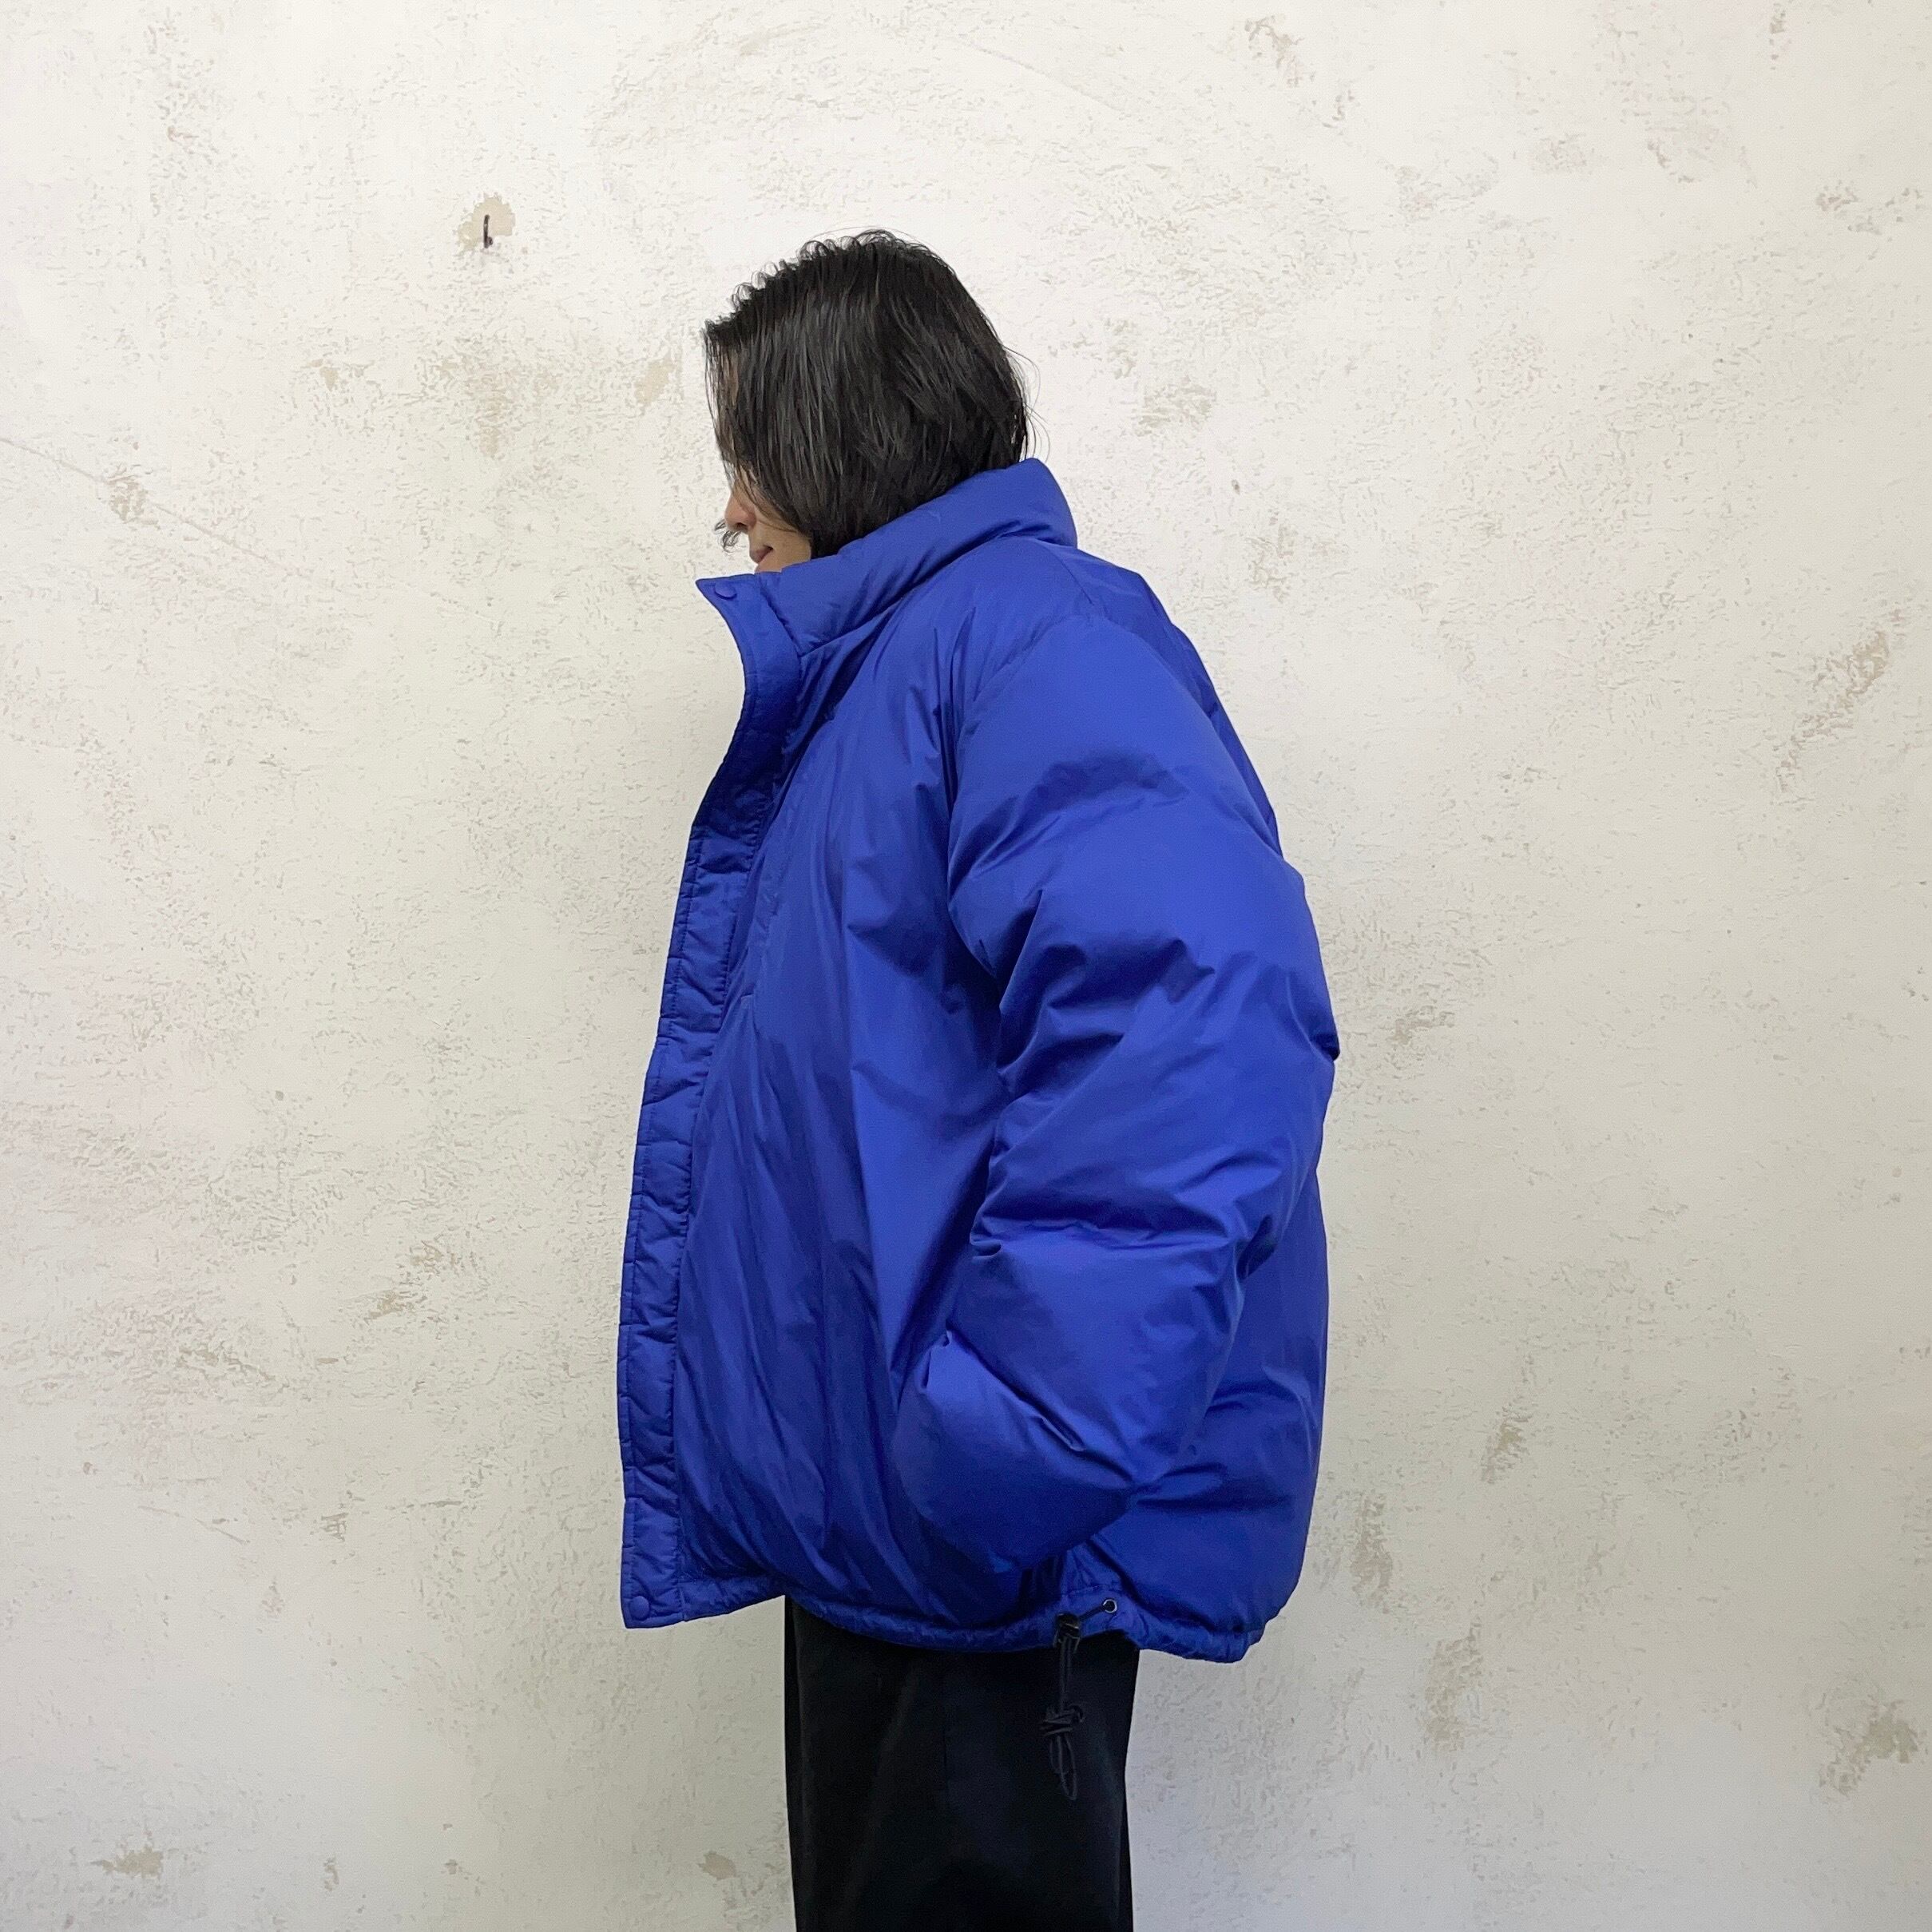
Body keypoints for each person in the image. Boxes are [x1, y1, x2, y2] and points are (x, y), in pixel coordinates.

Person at [616, 229, 1339, 1932]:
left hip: (978, 1548)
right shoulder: (904, 669)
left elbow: (1192, 1024)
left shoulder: (1028, 640)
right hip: (902, 1538)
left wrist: (1013, 1444)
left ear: (837, 432)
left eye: (748, 448)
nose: (731, 506)